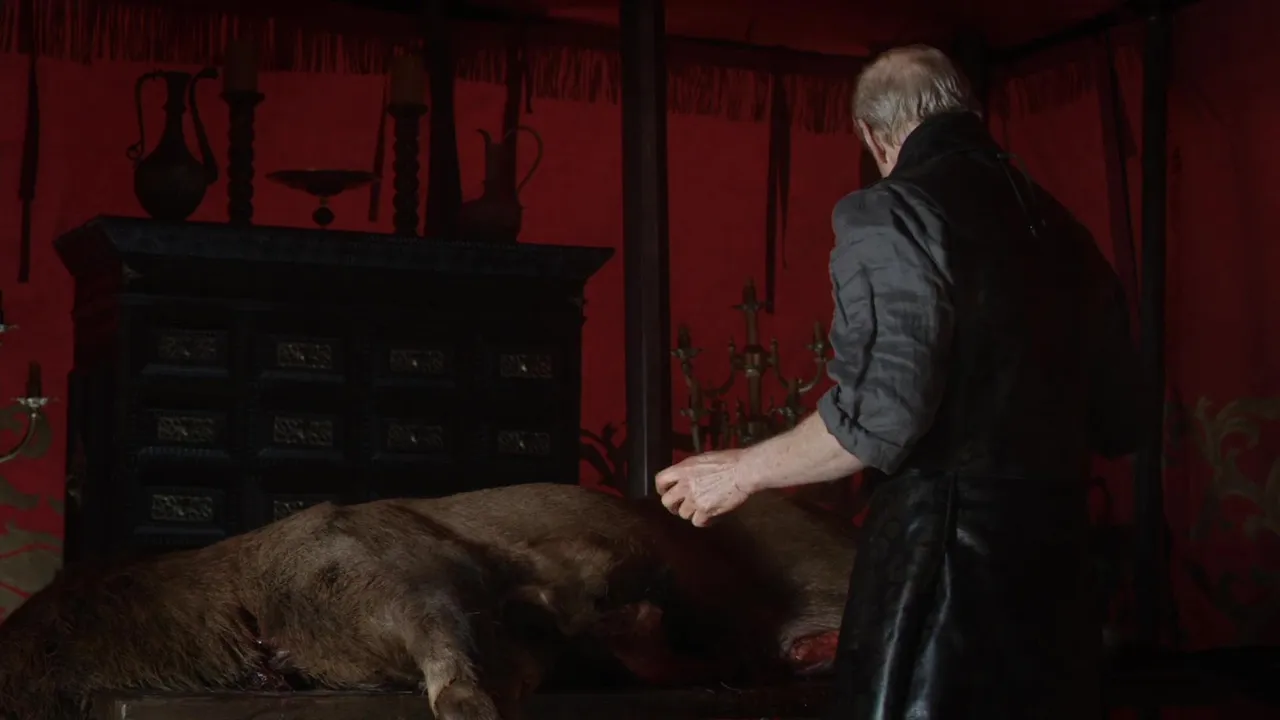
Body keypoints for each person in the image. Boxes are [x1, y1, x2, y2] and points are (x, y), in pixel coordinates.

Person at [655, 45, 1146, 719]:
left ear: (874, 135)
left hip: (944, 578)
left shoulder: (892, 211)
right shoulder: (1066, 230)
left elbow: (880, 418)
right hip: (1060, 580)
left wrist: (739, 472)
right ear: (968, 113)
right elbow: (1122, 419)